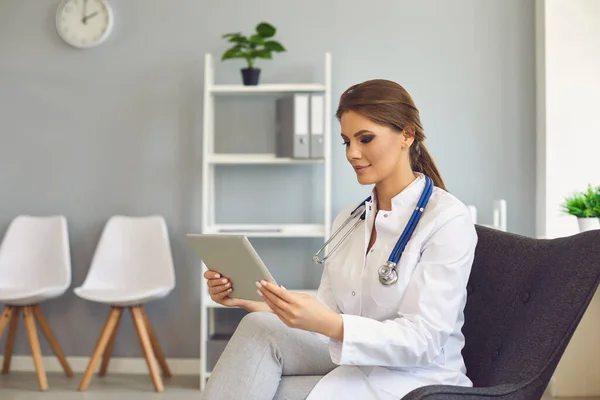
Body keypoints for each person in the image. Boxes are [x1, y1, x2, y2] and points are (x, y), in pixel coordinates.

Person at [199, 79, 478, 400]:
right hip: (356, 359)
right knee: (257, 328)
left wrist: (332, 324)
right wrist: (258, 303)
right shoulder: (349, 219)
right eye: (346, 141)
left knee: (259, 390)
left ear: (407, 134)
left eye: (366, 138)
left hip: (413, 377)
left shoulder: (446, 219)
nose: (353, 153)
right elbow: (328, 313)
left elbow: (423, 341)